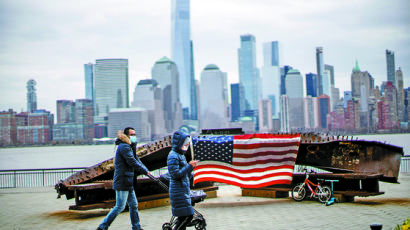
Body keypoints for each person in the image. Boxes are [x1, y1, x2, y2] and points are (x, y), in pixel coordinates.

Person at [97, 127, 151, 230]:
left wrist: (146, 170)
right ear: (126, 136)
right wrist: (144, 171)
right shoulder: (124, 147)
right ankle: (102, 227)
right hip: (122, 181)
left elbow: (137, 160)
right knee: (120, 206)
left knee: (134, 205)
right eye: (132, 135)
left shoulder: (130, 146)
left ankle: (136, 227)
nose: (134, 136)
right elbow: (132, 162)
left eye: (135, 134)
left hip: (128, 181)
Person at [167, 131, 200, 230]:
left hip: (182, 190)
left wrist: (191, 168)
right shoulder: (173, 155)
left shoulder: (180, 154)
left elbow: (184, 172)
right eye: (185, 142)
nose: (187, 144)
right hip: (178, 191)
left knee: (183, 217)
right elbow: (175, 174)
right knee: (188, 216)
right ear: (179, 143)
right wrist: (189, 166)